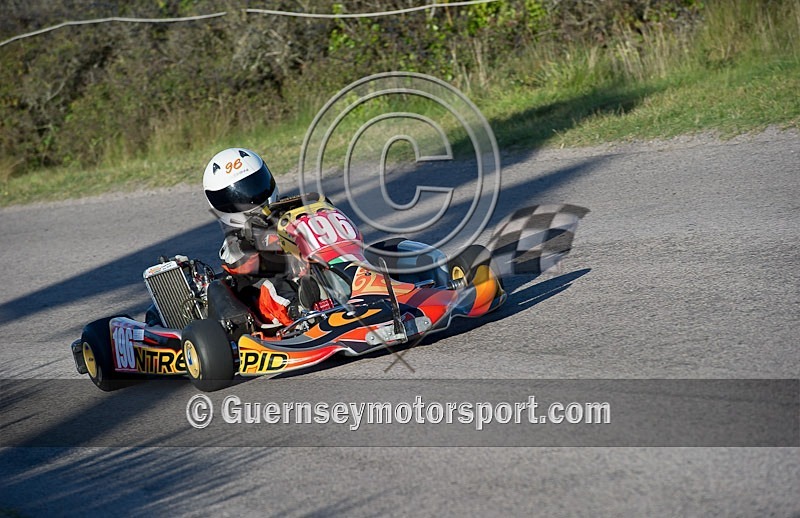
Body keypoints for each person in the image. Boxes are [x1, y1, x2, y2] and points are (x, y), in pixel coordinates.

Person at [202, 147, 297, 327]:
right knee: (274, 283)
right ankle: (298, 311)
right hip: (264, 297)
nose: (252, 201)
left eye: (254, 187)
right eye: (238, 196)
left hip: (308, 271)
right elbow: (245, 264)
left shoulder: (289, 210)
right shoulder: (234, 241)